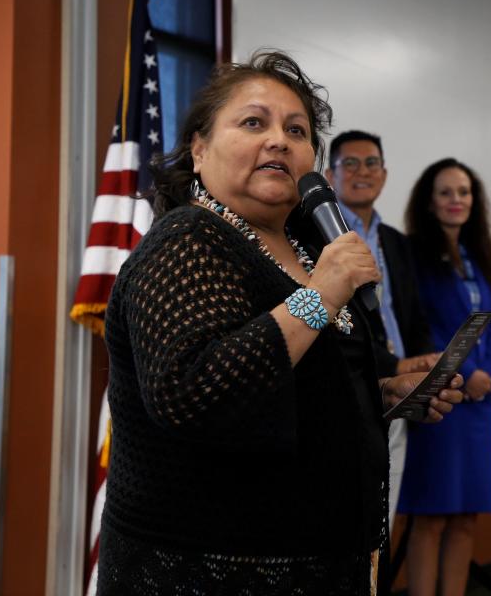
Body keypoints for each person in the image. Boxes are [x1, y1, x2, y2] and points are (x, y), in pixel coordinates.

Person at [98, 50, 462, 595]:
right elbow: (192, 392)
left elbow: (288, 385)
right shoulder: (185, 243)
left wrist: (384, 393)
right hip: (213, 571)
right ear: (199, 149)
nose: (279, 140)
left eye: (297, 130)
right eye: (253, 122)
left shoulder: (308, 249)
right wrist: (321, 295)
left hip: (321, 560)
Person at [398, 158, 491, 596]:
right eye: (446, 192)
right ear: (429, 202)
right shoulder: (413, 256)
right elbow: (421, 326)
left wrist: (490, 373)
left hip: (478, 407)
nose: (456, 200)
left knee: (466, 518)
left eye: (463, 192)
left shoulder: (479, 256)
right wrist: (465, 373)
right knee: (431, 517)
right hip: (440, 403)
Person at [324, 129, 440, 532]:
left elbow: (413, 316)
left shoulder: (396, 242)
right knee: (343, 523)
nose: (363, 172)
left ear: (385, 174)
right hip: (348, 395)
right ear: (329, 174)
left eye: (372, 163)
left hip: (400, 395)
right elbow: (334, 323)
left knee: (383, 524)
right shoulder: (317, 236)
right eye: (350, 163)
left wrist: (424, 360)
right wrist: (395, 363)